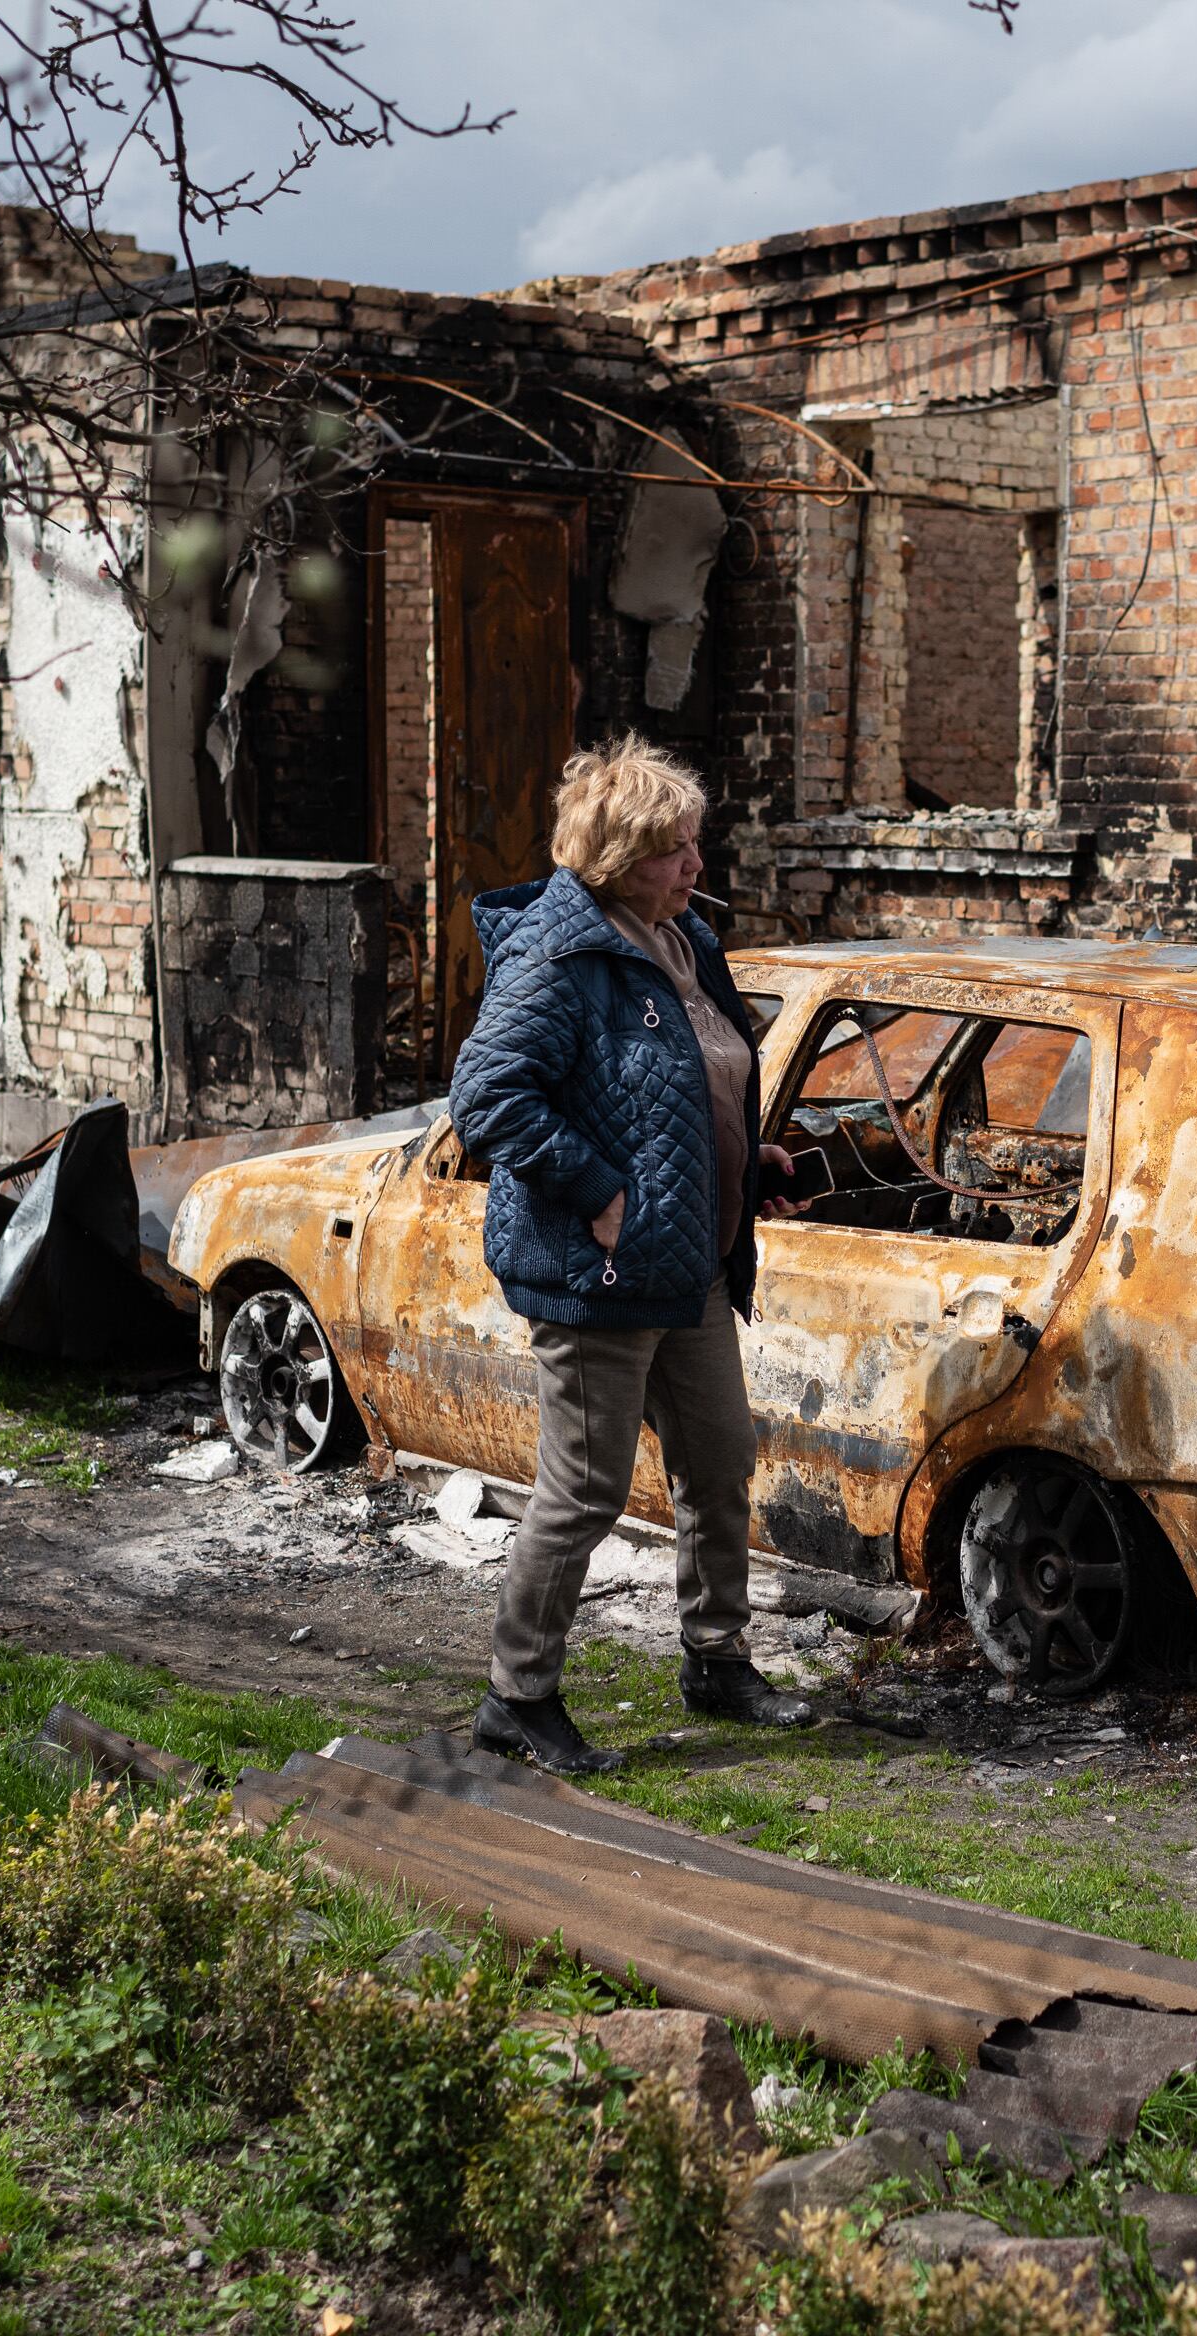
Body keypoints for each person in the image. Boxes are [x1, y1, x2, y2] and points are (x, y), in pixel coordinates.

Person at [447, 737, 812, 1775]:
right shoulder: (558, 954)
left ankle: (715, 1659)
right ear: (612, 858)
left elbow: (694, 1082)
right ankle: (516, 1695)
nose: (695, 866)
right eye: (672, 850)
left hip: (688, 1262)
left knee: (717, 1464)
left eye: (694, 844)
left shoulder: (684, 939)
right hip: (595, 1274)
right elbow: (487, 1097)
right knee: (583, 1492)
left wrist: (749, 1159)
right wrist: (602, 1191)